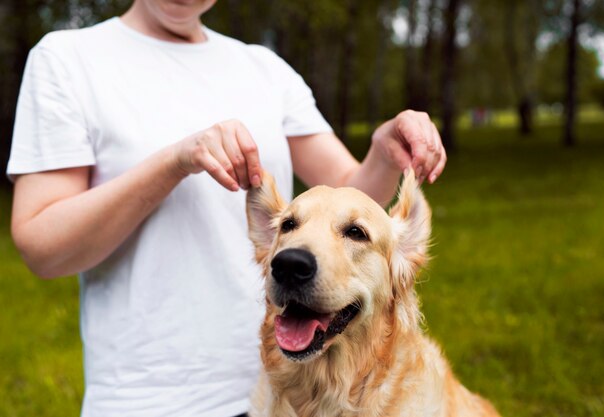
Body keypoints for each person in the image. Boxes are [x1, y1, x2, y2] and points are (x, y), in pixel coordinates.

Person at [7, 0, 447, 416]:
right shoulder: (68, 59)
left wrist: (383, 152)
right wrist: (174, 161)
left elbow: (347, 199)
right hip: (148, 398)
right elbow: (42, 246)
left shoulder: (264, 68)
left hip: (284, 396)